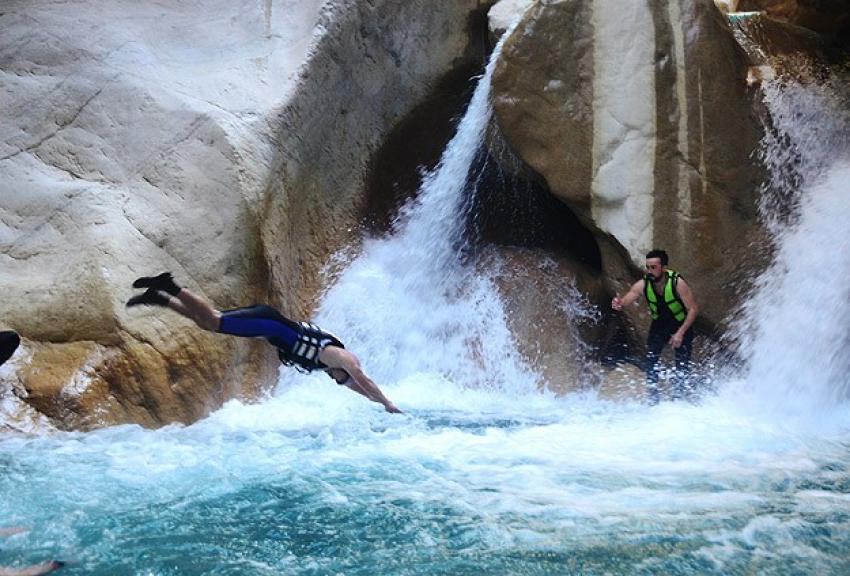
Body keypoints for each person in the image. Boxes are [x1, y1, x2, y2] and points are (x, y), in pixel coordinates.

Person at [126, 273, 401, 413]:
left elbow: (357, 388)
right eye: (340, 380)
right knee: (213, 320)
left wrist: (376, 404)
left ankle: (160, 298)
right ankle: (169, 285)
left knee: (207, 323)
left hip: (266, 327)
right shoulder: (343, 359)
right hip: (268, 323)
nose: (337, 380)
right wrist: (387, 403)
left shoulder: (332, 366)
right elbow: (364, 382)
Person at [611, 249, 699, 404]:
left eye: (653, 267)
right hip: (659, 325)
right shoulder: (644, 283)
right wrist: (619, 303)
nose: (650, 271)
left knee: (682, 365)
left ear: (663, 268)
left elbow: (693, 309)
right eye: (648, 267)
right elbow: (628, 298)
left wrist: (680, 333)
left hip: (680, 324)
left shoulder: (677, 283)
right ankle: (653, 399)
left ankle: (679, 399)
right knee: (651, 361)